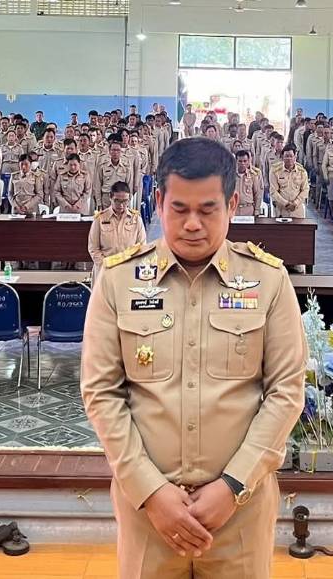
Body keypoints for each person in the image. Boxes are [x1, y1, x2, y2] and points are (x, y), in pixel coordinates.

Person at [81, 137, 305, 579]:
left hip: (240, 511)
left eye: (207, 210)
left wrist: (233, 485)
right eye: (179, 209)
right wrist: (151, 492)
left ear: (233, 205)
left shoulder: (268, 280)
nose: (192, 225)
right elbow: (101, 393)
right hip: (149, 512)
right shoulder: (118, 280)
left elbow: (286, 392)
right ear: (158, 202)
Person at [88, 180, 146, 276]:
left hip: (128, 271)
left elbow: (142, 247)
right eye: (117, 201)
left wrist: (130, 265)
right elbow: (93, 248)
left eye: (125, 201)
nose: (121, 205)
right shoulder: (100, 219)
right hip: (104, 271)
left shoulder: (136, 219)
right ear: (110, 198)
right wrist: (107, 266)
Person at [269, 146, 309, 219]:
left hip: (297, 210)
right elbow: (273, 191)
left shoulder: (302, 171)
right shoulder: (275, 171)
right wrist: (286, 204)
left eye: (291, 156)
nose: (289, 159)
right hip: (281, 210)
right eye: (286, 156)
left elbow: (305, 190)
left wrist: (295, 203)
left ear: (295, 157)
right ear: (282, 157)